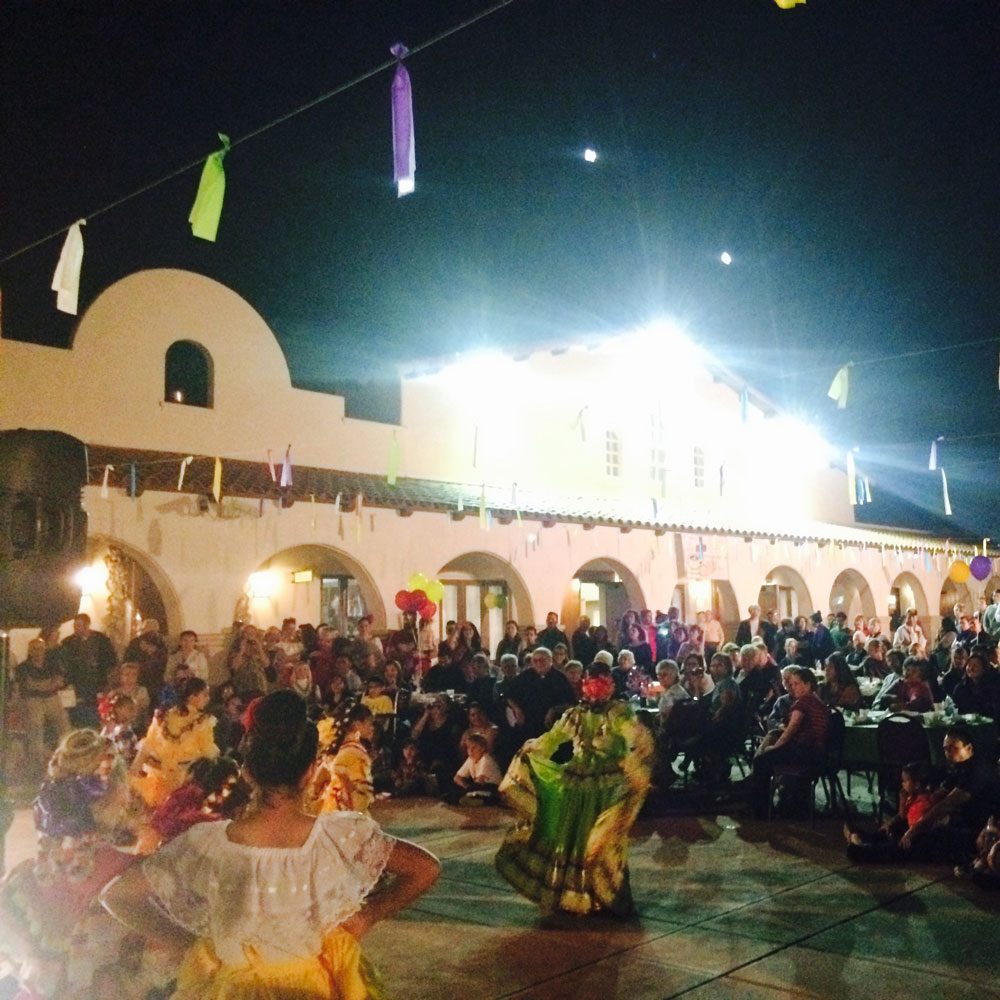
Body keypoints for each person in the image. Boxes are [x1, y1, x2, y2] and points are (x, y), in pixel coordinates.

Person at [101, 690, 440, 999]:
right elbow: (426, 868)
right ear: (309, 772)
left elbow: (117, 896)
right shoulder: (337, 838)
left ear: (247, 771)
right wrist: (368, 917)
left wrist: (186, 941)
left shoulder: (206, 843)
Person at [495, 661, 653, 915]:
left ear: (610, 686)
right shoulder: (575, 715)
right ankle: (574, 896)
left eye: (601, 683)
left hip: (606, 785)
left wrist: (637, 748)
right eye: (591, 682)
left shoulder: (618, 713)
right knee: (571, 840)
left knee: (600, 842)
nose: (595, 688)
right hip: (576, 783)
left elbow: (633, 735)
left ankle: (605, 894)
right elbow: (553, 739)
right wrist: (531, 749)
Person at [748, 667, 830, 818]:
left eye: (797, 684)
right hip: (818, 753)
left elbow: (791, 729)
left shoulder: (804, 702)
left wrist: (775, 747)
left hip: (804, 750)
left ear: (808, 684)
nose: (793, 688)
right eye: (791, 684)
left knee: (761, 761)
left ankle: (760, 810)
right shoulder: (819, 703)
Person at [131, 677, 218, 808]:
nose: (208, 699)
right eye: (204, 694)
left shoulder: (163, 715)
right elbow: (208, 751)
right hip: (183, 780)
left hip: (158, 777)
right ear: (192, 697)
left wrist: (136, 766)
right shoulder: (203, 722)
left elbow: (148, 744)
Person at [844, 761, 936, 863]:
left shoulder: (925, 801)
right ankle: (861, 839)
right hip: (906, 831)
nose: (902, 784)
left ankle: (861, 847)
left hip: (914, 839)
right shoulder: (912, 797)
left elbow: (918, 824)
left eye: (905, 781)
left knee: (887, 850)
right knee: (877, 832)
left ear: (917, 785)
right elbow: (902, 815)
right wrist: (902, 800)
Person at [17, 635, 70, 781]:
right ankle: (37, 768)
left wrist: (41, 685)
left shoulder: (52, 664)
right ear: (29, 651)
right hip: (33, 700)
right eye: (34, 649)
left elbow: (59, 681)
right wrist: (47, 684)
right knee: (35, 728)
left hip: (52, 698)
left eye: (40, 649)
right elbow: (27, 685)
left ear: (44, 650)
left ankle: (66, 760)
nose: (37, 652)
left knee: (64, 726)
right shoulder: (23, 667)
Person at [312, 704, 377, 814]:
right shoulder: (355, 752)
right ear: (357, 725)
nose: (372, 727)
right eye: (369, 723)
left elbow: (317, 783)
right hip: (346, 814)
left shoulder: (336, 750)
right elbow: (360, 795)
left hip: (331, 810)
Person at [60, 613, 118, 728]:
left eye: (79, 625)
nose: (76, 629)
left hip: (97, 682)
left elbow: (111, 660)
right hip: (77, 684)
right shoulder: (67, 643)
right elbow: (64, 664)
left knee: (97, 713)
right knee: (77, 714)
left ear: (87, 625)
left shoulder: (101, 640)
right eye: (75, 626)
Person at [452, 732, 503, 804]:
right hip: (477, 786)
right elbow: (457, 778)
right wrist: (465, 786)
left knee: (477, 790)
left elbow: (480, 781)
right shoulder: (470, 759)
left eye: (474, 747)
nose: (470, 750)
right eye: (468, 747)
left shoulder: (486, 760)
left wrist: (467, 789)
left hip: (491, 788)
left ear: (482, 748)